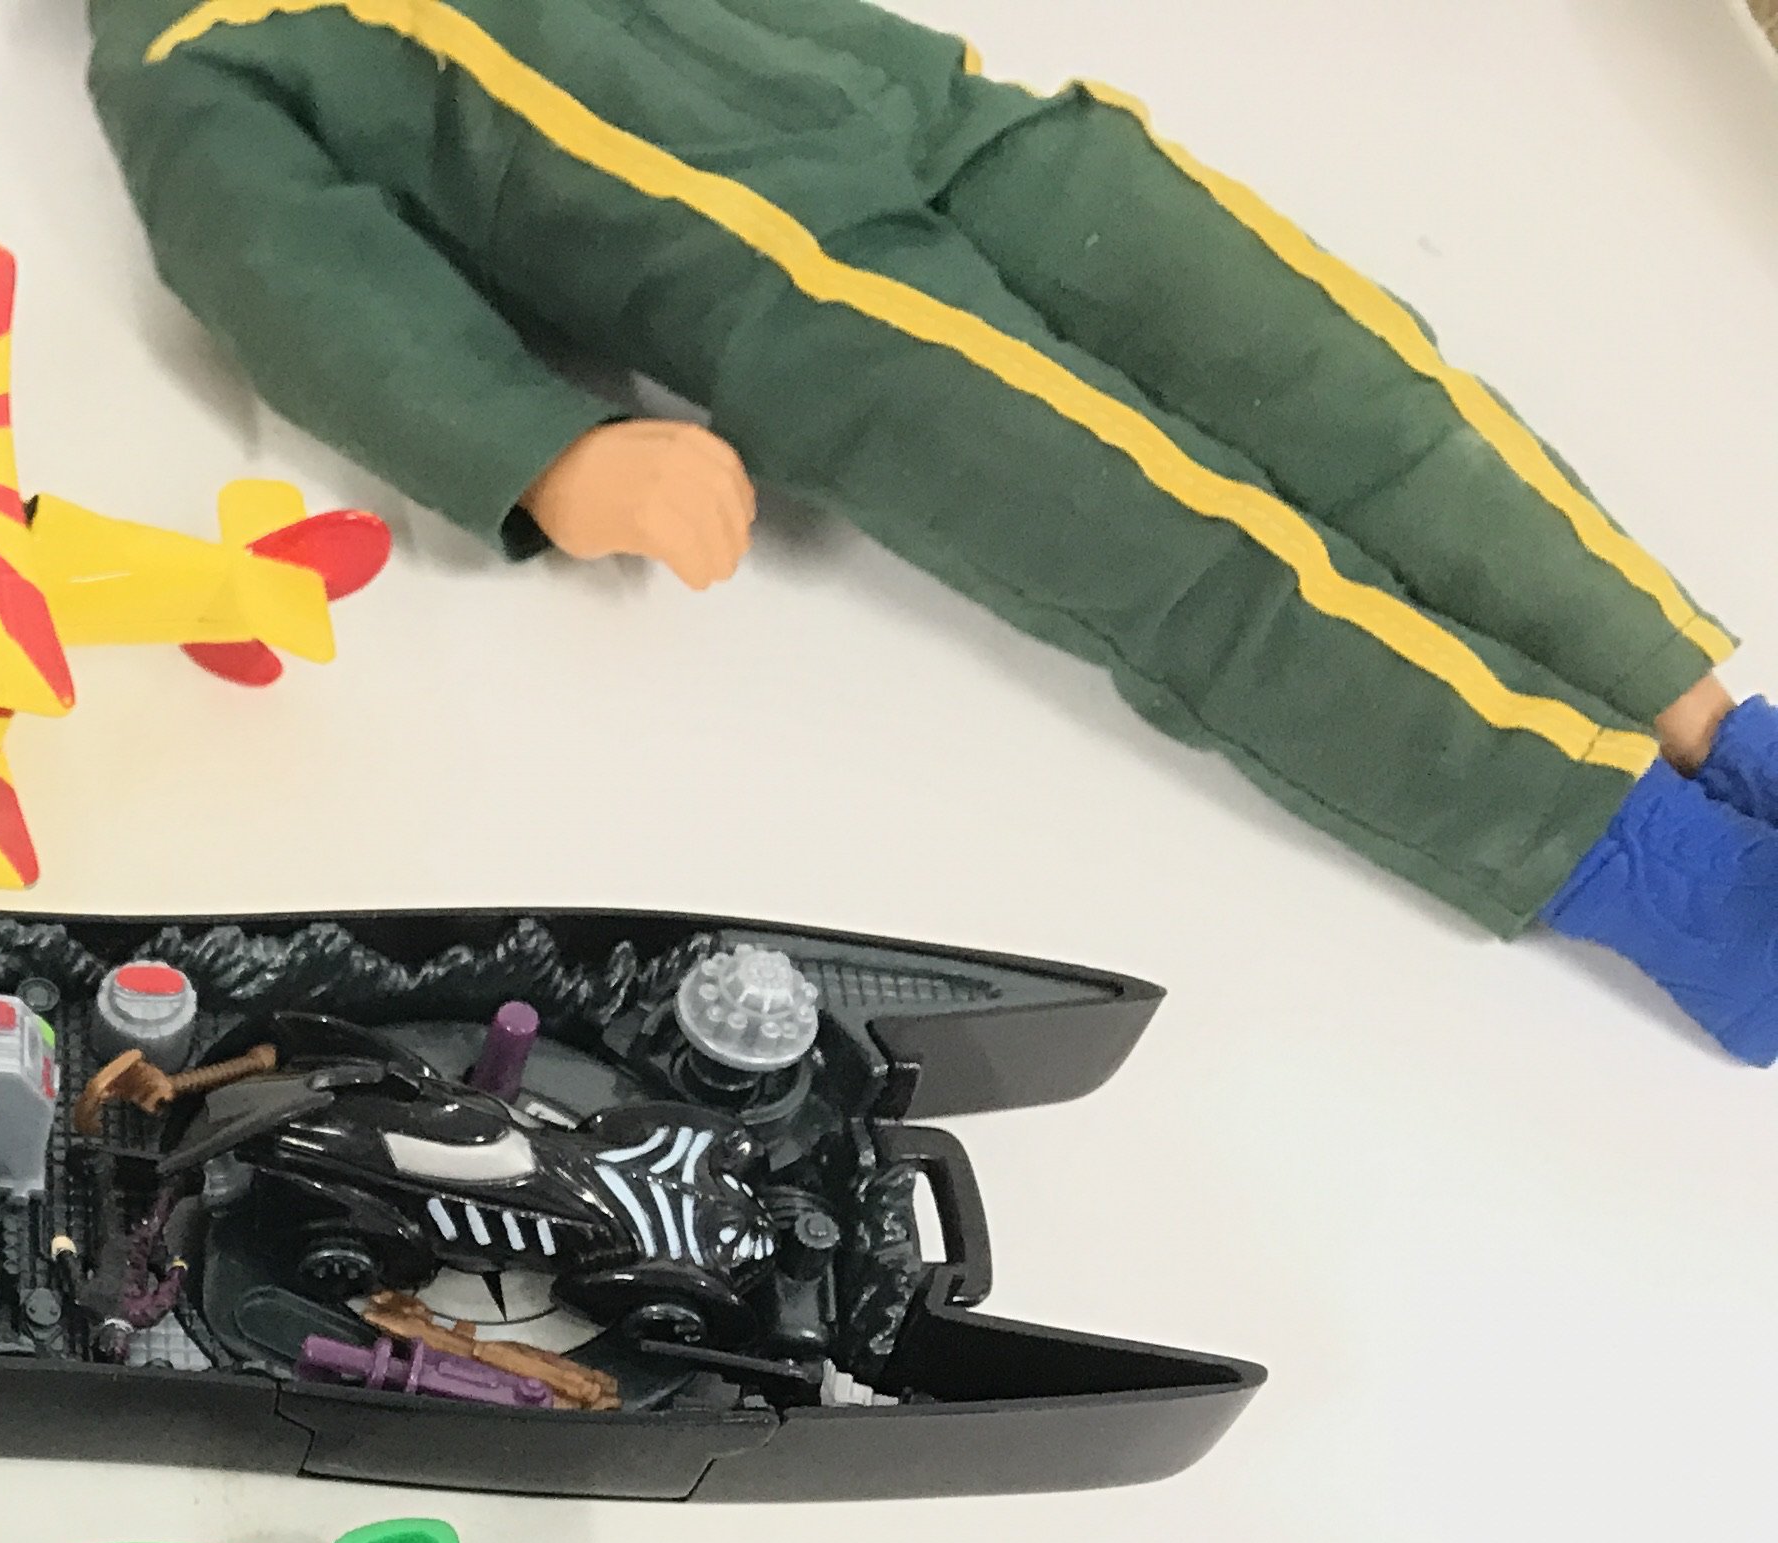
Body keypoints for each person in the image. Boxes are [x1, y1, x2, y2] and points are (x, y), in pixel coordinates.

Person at [87, 0, 1778, 1059]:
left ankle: (1699, 718)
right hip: (798, 295)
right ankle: (1642, 862)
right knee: (1185, 551)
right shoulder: (191, 47)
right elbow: (296, 281)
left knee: (1355, 385)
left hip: (959, 120)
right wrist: (543, 448)